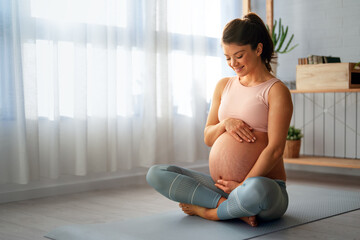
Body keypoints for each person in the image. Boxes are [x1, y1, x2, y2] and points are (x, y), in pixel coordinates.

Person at [146, 12, 293, 227]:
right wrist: (225, 124)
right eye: (227, 57)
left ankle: (209, 212)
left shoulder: (276, 90)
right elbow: (208, 137)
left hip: (263, 188)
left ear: (258, 49)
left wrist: (242, 185)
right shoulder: (224, 86)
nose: (233, 63)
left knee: (256, 191)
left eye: (239, 55)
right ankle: (229, 206)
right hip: (221, 186)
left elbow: (276, 150)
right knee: (157, 173)